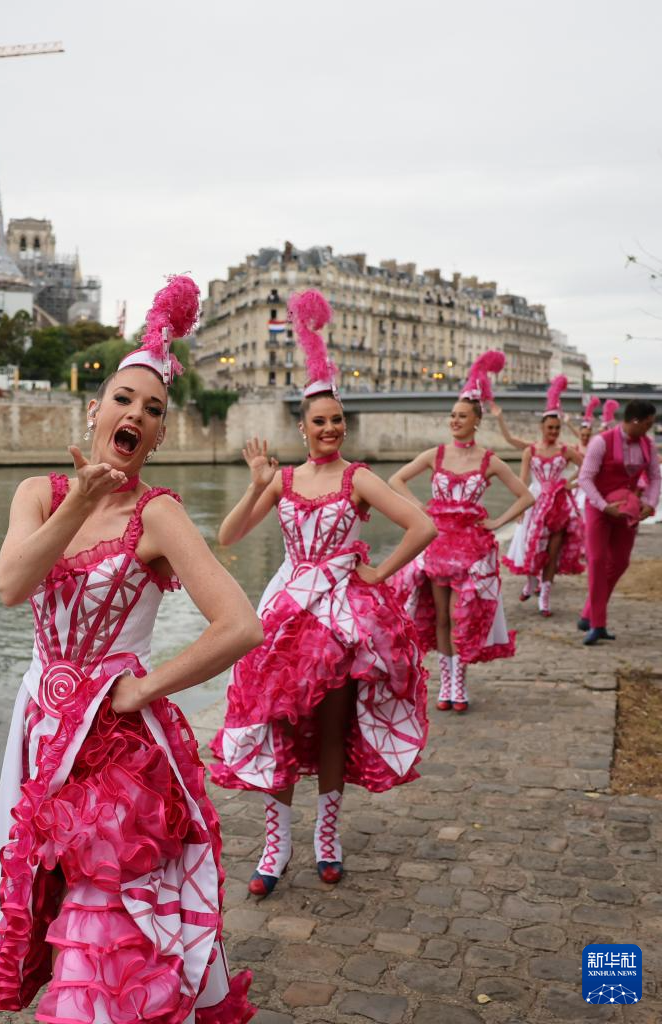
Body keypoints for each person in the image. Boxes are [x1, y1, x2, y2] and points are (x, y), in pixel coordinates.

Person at [0, 276, 260, 1024]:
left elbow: (240, 624)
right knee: (49, 906)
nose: (135, 413)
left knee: (102, 928)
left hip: (118, 750)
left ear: (161, 435)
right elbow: (11, 584)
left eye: (153, 409)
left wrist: (143, 689)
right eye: (123, 399)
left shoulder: (159, 514)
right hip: (41, 733)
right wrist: (80, 495)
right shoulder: (39, 496)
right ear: (94, 409)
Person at [210, 290, 436, 897]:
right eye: (321, 421)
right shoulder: (283, 479)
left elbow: (424, 526)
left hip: (341, 615)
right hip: (286, 610)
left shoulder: (358, 477)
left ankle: (326, 838)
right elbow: (229, 535)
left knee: (333, 728)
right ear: (303, 428)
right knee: (277, 722)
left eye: (338, 420)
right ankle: (275, 843)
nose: (331, 428)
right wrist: (256, 484)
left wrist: (378, 573)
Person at [389, 351, 534, 713]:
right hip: (438, 545)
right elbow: (396, 480)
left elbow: (526, 496)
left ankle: (460, 682)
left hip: (471, 550)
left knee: (461, 616)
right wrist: (421, 509)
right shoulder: (435, 455)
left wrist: (499, 522)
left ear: (476, 421)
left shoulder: (489, 461)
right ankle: (445, 684)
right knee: (439, 617)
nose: (454, 420)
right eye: (452, 416)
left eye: (462, 416)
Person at [577, 399, 659, 645]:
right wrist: (603, 506)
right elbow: (585, 478)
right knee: (598, 560)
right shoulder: (601, 442)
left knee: (620, 562)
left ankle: (589, 612)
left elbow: (655, 477)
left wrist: (651, 503)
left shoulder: (648, 444)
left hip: (626, 510)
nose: (650, 427)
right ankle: (597, 624)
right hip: (599, 509)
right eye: (648, 423)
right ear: (635, 420)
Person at [500, 376, 584, 616]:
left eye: (557, 428)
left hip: (558, 503)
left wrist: (571, 482)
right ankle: (531, 583)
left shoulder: (566, 450)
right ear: (542, 427)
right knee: (533, 546)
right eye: (550, 428)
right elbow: (522, 481)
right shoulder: (531, 450)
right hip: (535, 502)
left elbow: (589, 465)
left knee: (553, 551)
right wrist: (519, 509)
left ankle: (544, 597)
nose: (554, 432)